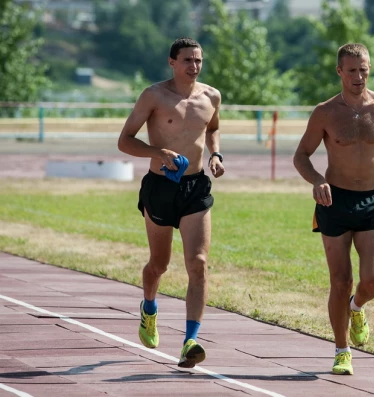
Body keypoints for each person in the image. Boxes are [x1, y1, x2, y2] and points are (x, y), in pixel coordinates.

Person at [293, 43, 374, 375]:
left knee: (373, 280)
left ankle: (357, 307)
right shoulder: (326, 112)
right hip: (335, 201)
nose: (359, 76)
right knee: (340, 279)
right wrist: (317, 180)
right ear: (339, 72)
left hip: (373, 201)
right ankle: (342, 350)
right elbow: (301, 155)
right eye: (352, 70)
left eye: (364, 69)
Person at [117, 37, 225, 369]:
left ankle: (190, 340)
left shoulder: (211, 96)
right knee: (159, 265)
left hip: (195, 187)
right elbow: (124, 141)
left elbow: (213, 129)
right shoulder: (154, 95)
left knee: (199, 263)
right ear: (172, 63)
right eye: (188, 60)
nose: (194, 66)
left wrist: (216, 153)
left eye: (199, 60)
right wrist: (157, 152)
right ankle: (149, 307)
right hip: (160, 187)